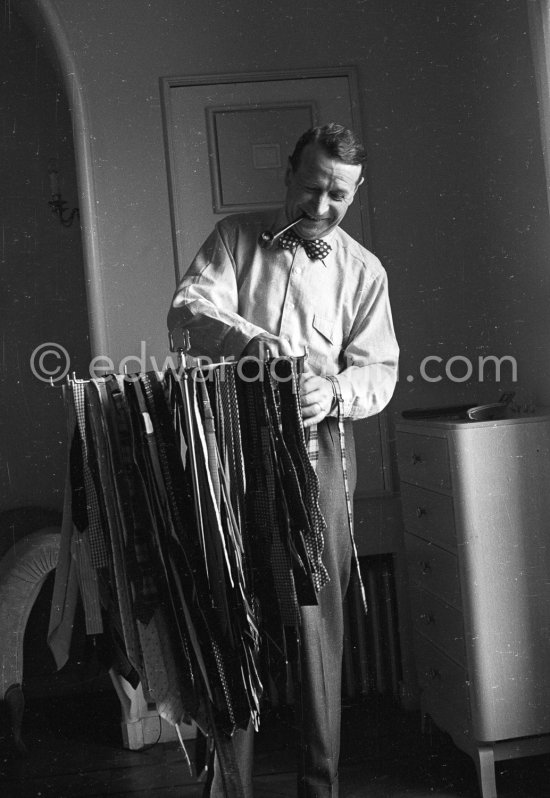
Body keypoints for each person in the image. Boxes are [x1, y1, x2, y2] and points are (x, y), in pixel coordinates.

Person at [167, 123, 399, 798]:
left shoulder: (365, 272)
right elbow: (183, 314)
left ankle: (318, 789)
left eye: (338, 195)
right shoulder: (232, 240)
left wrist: (336, 392)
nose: (321, 207)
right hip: (230, 445)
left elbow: (380, 372)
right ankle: (231, 790)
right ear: (286, 172)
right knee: (228, 611)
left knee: (319, 625)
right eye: (311, 187)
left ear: (354, 191)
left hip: (320, 450)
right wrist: (252, 344)